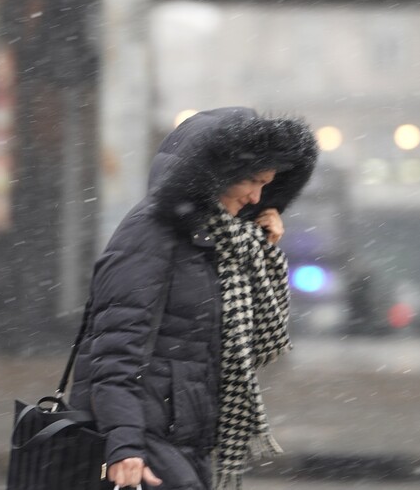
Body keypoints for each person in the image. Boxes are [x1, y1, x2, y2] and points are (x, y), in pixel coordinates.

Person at [69, 107, 318, 490]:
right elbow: (115, 350)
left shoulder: (219, 241)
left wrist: (264, 251)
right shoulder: (150, 233)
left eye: (266, 185)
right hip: (146, 438)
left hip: (187, 437)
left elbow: (257, 344)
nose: (256, 195)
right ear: (217, 173)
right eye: (251, 180)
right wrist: (124, 445)